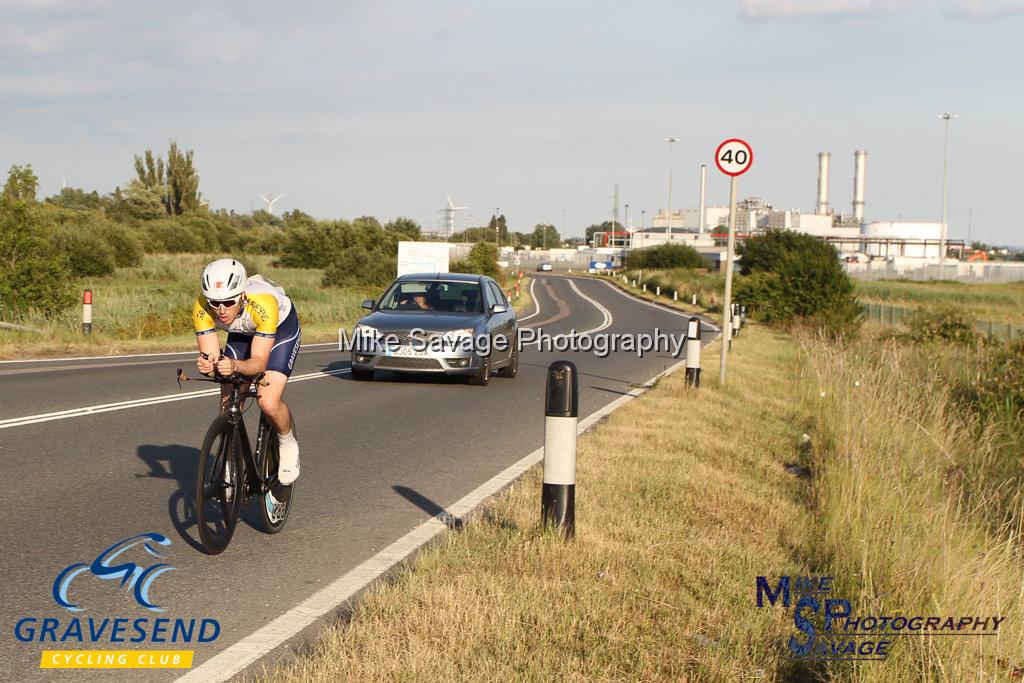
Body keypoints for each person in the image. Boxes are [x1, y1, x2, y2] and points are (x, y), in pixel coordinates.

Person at [192, 259, 301, 485]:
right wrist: (210, 367)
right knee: (227, 403)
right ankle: (229, 466)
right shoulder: (202, 306)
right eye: (215, 303)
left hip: (280, 329)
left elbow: (259, 363)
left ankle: (287, 441)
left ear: (242, 295)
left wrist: (235, 365)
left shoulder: (264, 304)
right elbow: (213, 357)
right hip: (242, 332)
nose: (221, 311)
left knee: (268, 402)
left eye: (229, 302)